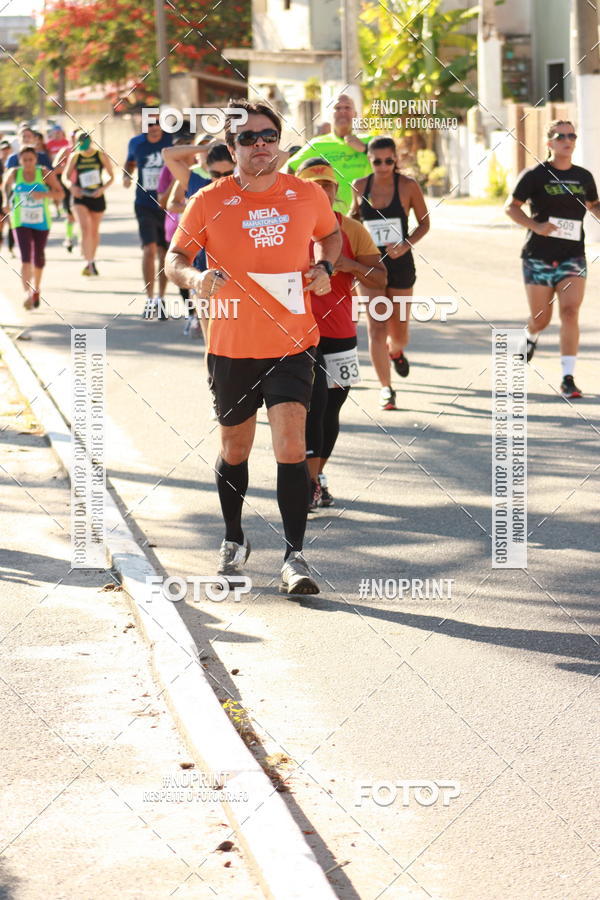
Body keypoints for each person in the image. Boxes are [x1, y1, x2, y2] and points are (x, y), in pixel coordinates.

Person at [166, 100, 341, 595]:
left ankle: (295, 557)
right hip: (231, 344)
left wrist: (324, 267)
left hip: (292, 341)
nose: (260, 145)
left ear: (278, 140)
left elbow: (330, 238)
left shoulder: (306, 194)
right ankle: (234, 538)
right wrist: (196, 277)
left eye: (268, 136)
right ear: (231, 146)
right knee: (235, 447)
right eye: (249, 139)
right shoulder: (208, 199)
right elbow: (174, 258)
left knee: (290, 444)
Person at [296, 158, 386, 509]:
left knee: (330, 409)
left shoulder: (351, 229)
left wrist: (348, 265)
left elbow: (380, 279)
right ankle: (307, 482)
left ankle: (316, 477)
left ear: (335, 191)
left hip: (339, 333)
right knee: (308, 408)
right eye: (314, 185)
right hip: (298, 334)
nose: (322, 190)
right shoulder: (288, 227)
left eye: (328, 185)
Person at [505, 120, 599, 399]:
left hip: (572, 256)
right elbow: (511, 207)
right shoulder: (535, 174)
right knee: (541, 318)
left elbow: (593, 205)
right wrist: (536, 226)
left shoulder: (583, 176)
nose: (567, 140)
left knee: (570, 311)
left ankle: (568, 377)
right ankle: (530, 336)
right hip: (538, 257)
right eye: (561, 136)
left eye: (572, 135)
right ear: (549, 143)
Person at [351, 136, 430, 411]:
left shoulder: (407, 186)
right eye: (377, 161)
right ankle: (386, 388)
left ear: (396, 159)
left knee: (400, 334)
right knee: (376, 327)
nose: (383, 166)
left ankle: (395, 351)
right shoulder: (360, 186)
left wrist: (405, 244)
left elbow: (424, 223)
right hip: (369, 264)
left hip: (400, 263)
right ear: (369, 160)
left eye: (388, 160)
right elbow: (355, 218)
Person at [163, 142, 233, 335]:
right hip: (204, 271)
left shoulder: (247, 186)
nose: (221, 180)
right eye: (216, 174)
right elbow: (168, 154)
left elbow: (281, 157)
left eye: (228, 174)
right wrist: (206, 147)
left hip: (238, 274)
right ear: (207, 169)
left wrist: (238, 145)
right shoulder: (196, 184)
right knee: (211, 342)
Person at [287, 93, 372, 214]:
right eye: (337, 108)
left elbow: (391, 165)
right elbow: (291, 166)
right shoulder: (317, 144)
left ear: (355, 114)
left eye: (347, 107)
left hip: (364, 216)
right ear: (330, 114)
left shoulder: (369, 141)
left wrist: (365, 149)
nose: (342, 111)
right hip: (329, 219)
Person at [123, 116, 172, 317]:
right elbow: (130, 162)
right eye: (149, 125)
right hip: (144, 203)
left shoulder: (170, 141)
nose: (154, 128)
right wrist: (126, 176)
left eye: (157, 124)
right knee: (149, 250)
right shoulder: (136, 143)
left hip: (167, 205)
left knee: (164, 253)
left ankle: (161, 297)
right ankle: (150, 298)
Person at [5, 146, 63, 309]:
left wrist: (43, 195)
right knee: (25, 257)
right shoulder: (14, 173)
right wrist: (5, 202)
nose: (28, 163)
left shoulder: (44, 173)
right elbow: (5, 188)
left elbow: (60, 193)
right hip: (20, 220)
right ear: (20, 160)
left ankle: (36, 288)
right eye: (25, 160)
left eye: (31, 159)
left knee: (38, 256)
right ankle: (27, 294)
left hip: (41, 221)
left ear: (36, 159)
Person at [63, 132, 113, 275]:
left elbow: (111, 176)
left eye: (85, 140)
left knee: (94, 230)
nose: (83, 143)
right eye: (80, 141)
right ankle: (88, 262)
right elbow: (66, 178)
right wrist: (72, 187)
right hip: (80, 196)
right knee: (85, 228)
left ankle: (92, 259)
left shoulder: (100, 155)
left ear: (91, 141)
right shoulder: (75, 156)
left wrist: (102, 189)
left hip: (97, 195)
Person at [53, 130, 79, 253]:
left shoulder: (88, 152)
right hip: (68, 187)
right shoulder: (65, 151)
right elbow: (55, 167)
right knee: (69, 215)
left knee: (81, 215)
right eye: (74, 137)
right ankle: (68, 238)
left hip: (83, 187)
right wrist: (68, 168)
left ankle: (80, 240)